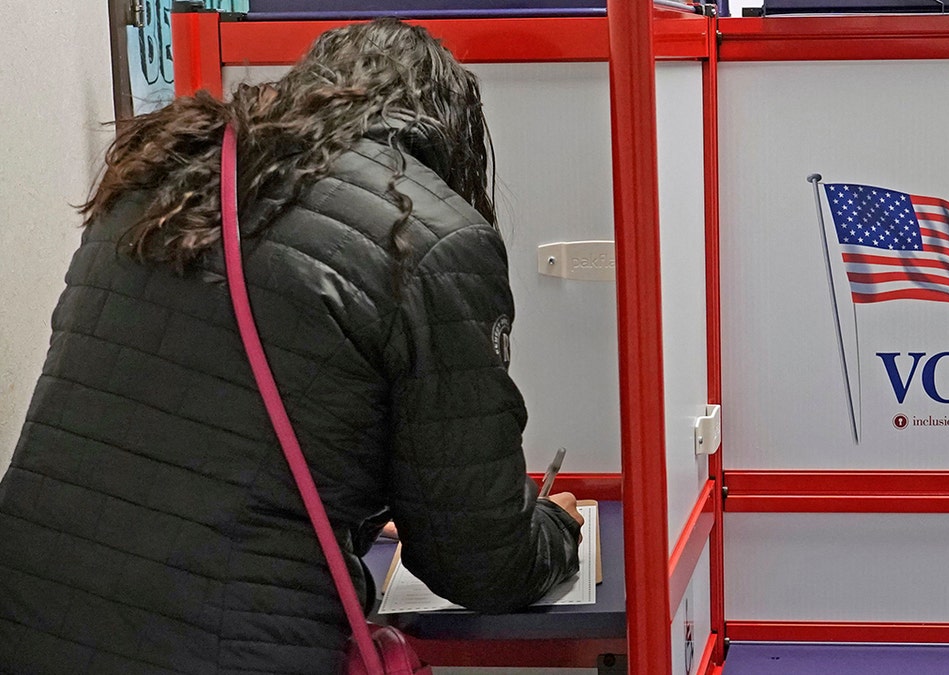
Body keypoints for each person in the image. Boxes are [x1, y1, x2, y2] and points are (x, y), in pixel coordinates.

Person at [0, 19, 583, 675]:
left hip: (29, 622)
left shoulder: (161, 178)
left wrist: (363, 512)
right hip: (223, 648)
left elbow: (198, 445)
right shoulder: (433, 233)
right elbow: (481, 561)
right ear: (450, 131)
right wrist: (556, 532)